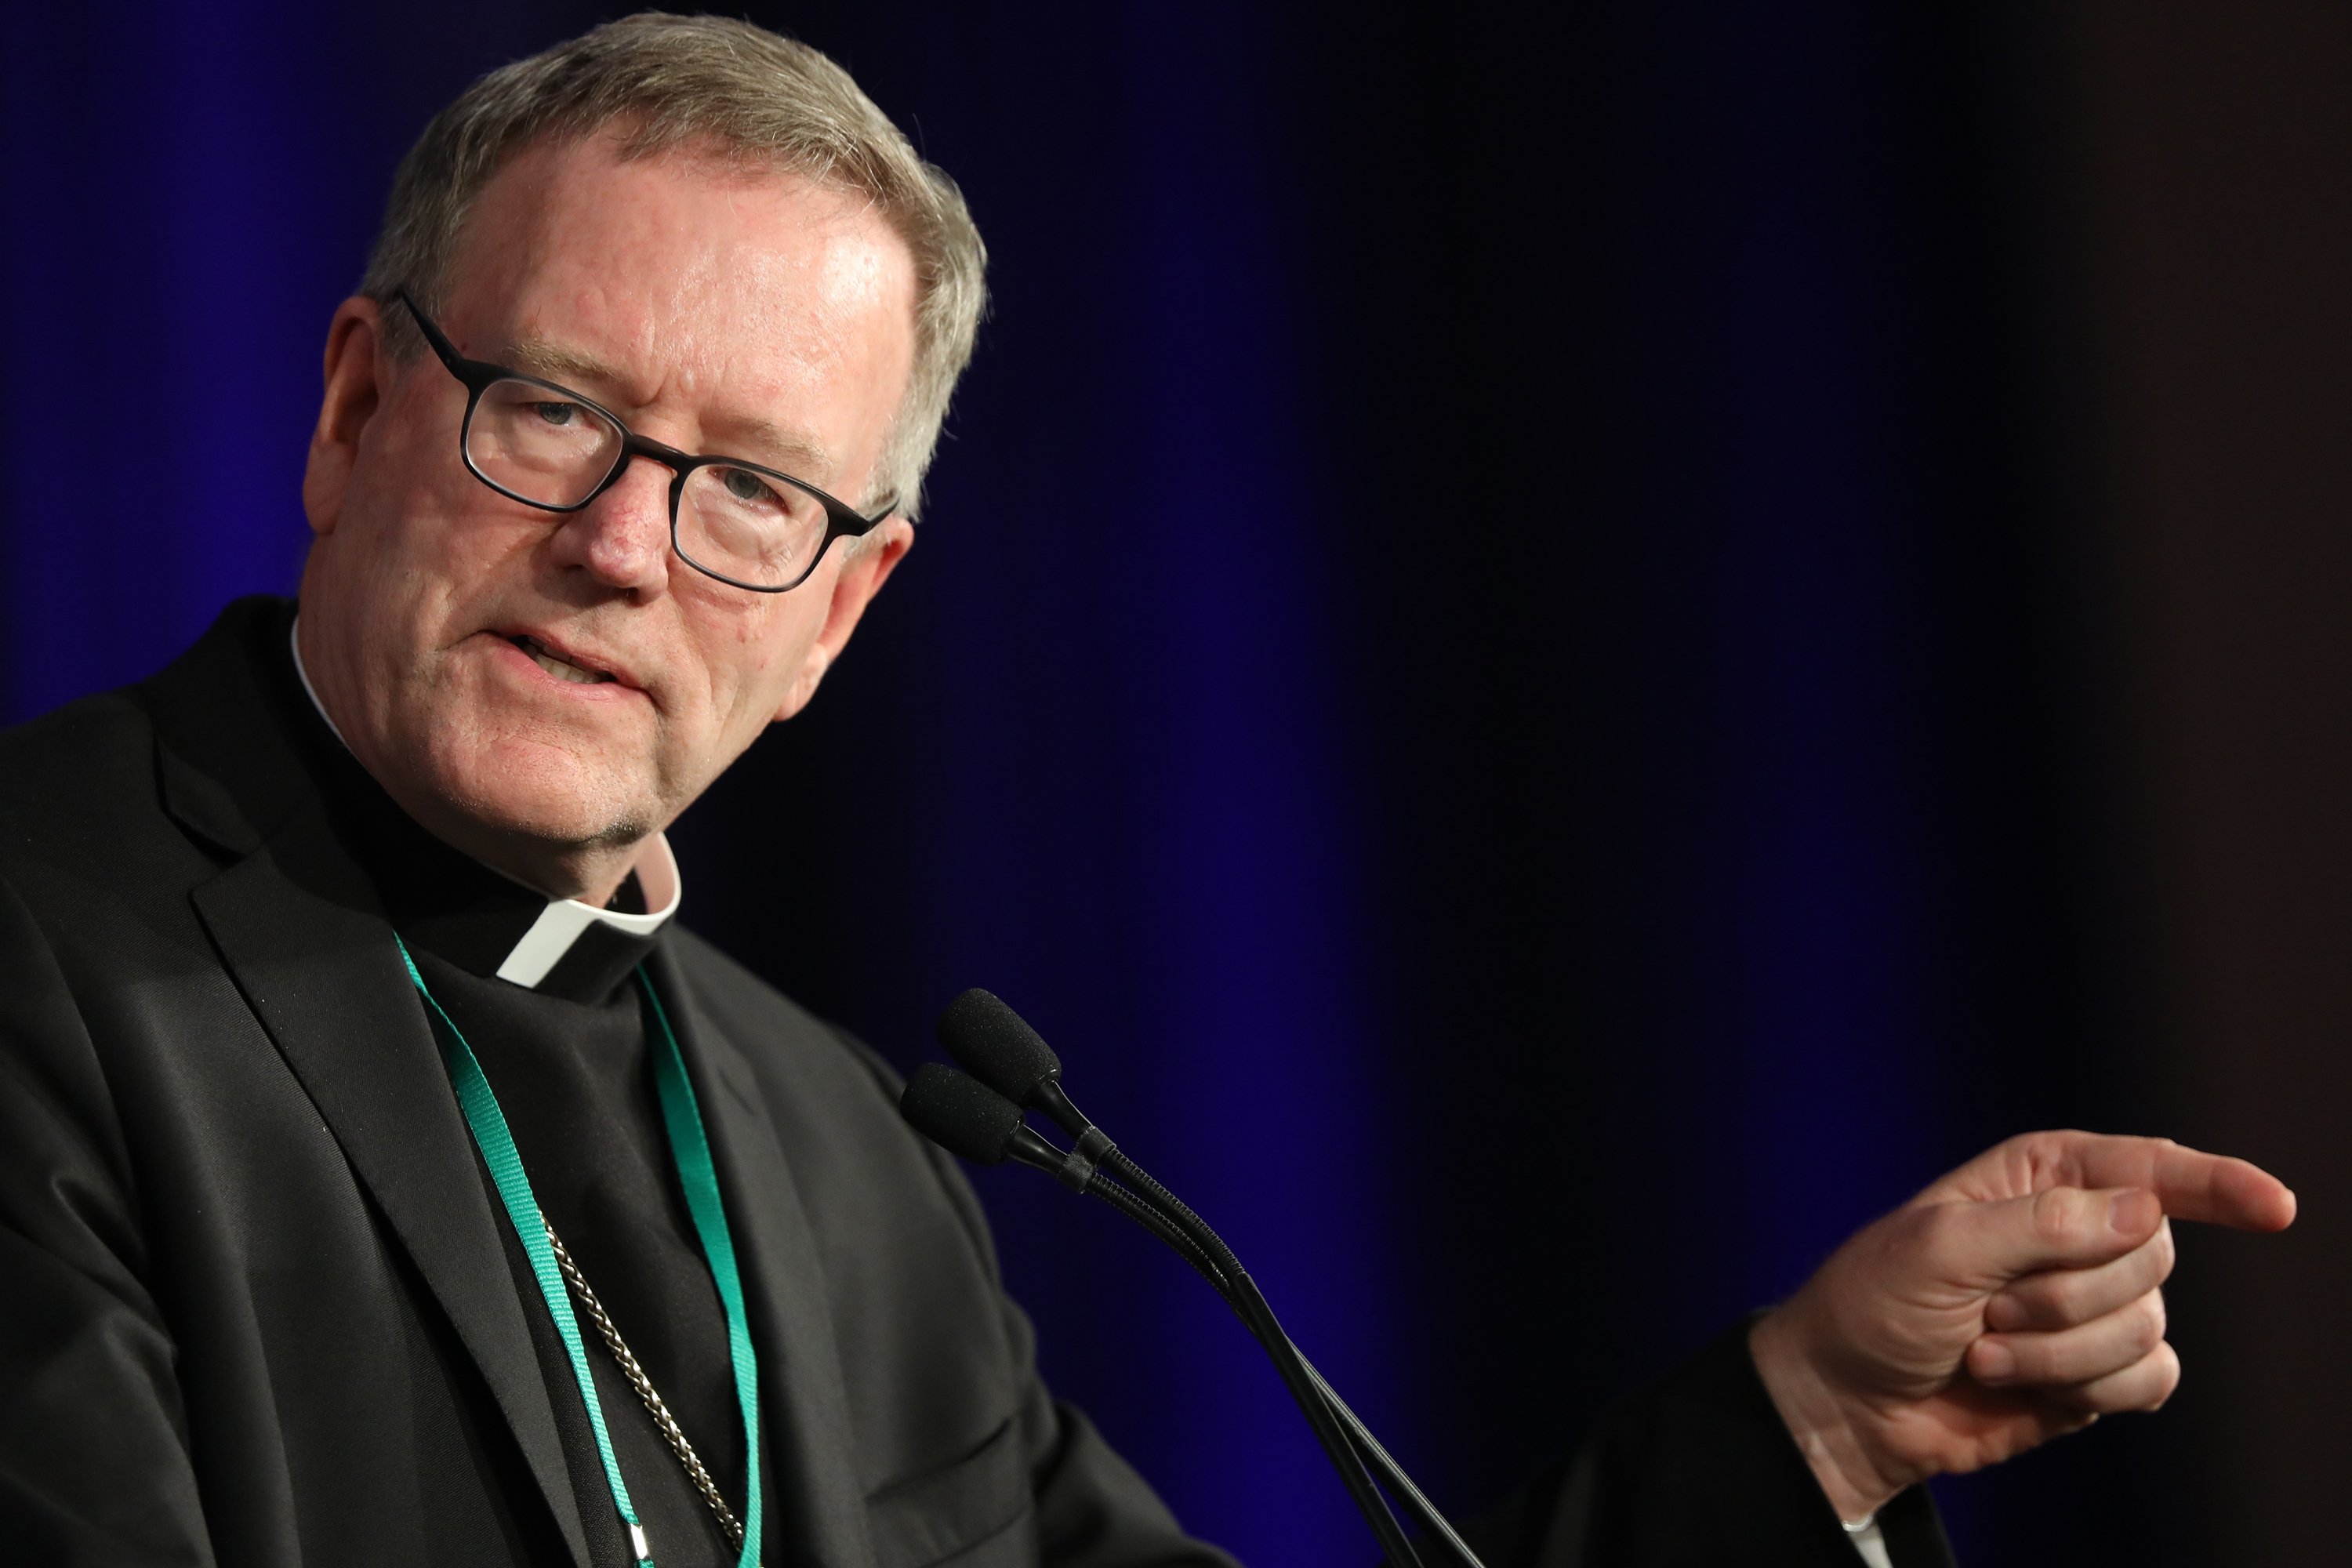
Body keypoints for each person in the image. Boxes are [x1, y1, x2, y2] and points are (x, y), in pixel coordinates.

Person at [0, 15, 2294, 1568]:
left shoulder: (840, 1158)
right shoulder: (42, 945)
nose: (621, 549)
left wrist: (1808, 1423)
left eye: (749, 496)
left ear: (838, 614)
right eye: (553, 416)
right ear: (351, 413)